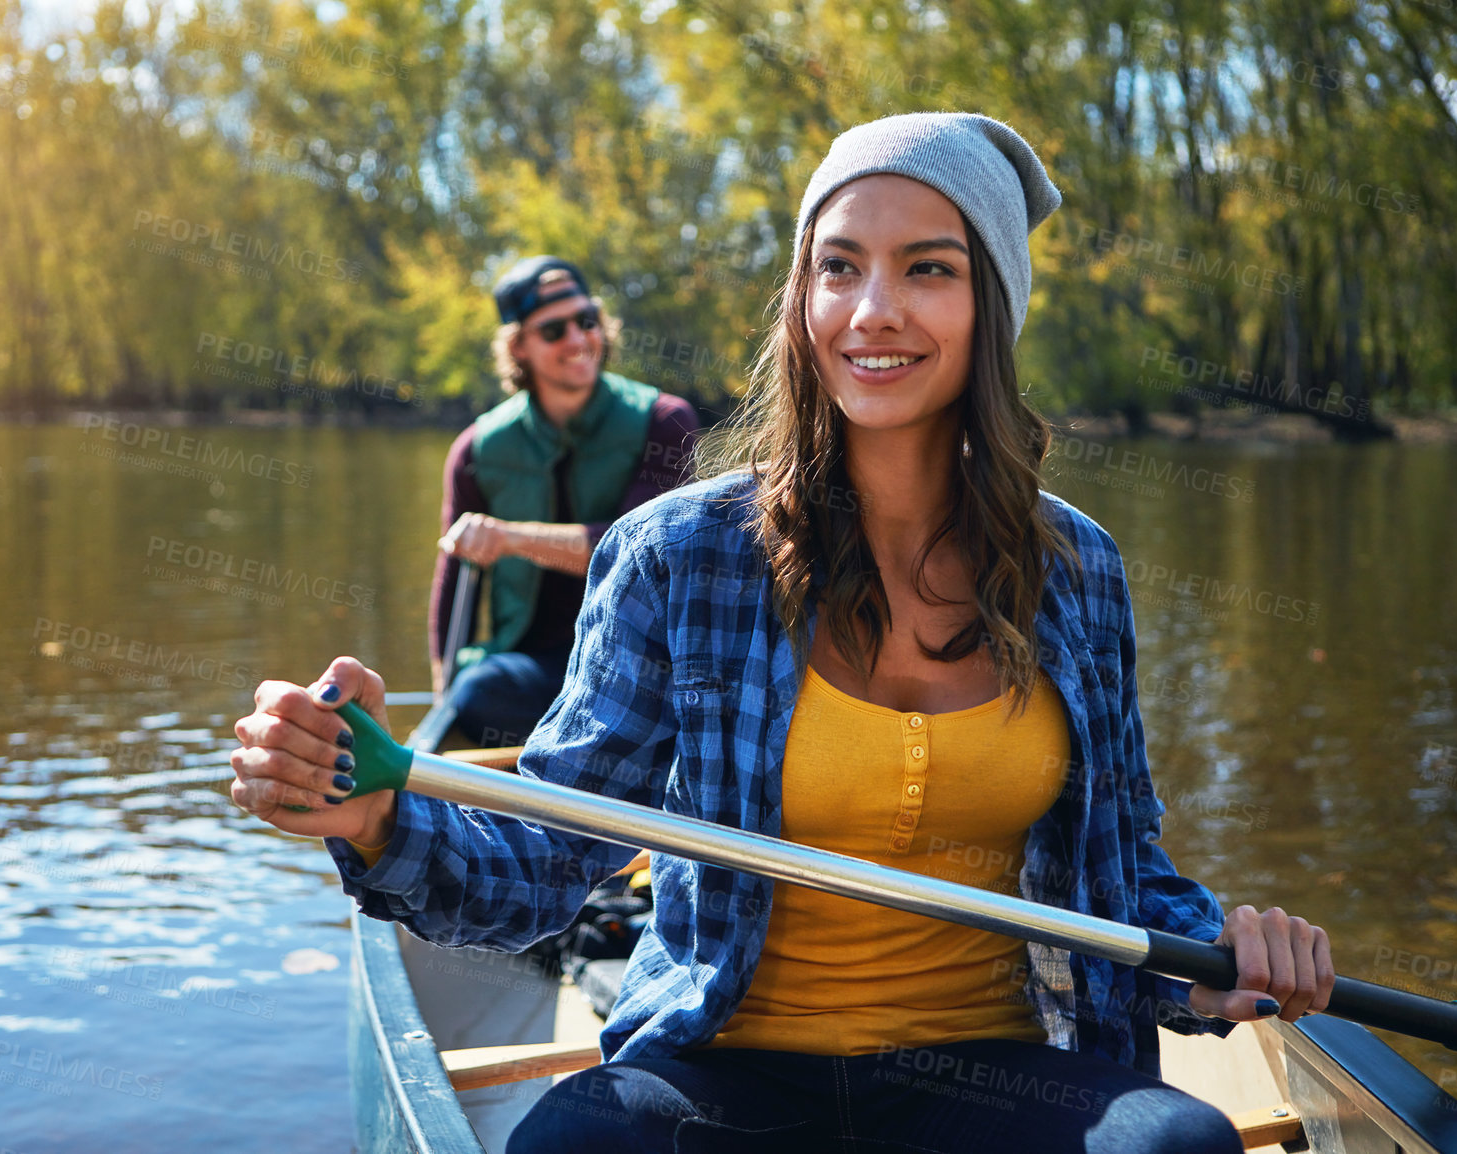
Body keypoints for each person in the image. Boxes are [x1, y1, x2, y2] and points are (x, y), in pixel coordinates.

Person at [229, 113, 1334, 1153]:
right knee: (570, 1139)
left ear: (992, 301)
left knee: (1181, 1140)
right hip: (722, 1072)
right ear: (802, 296)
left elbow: (1123, 873)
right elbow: (553, 855)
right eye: (839, 265)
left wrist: (1217, 958)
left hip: (991, 1070)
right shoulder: (679, 553)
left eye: (927, 267)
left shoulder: (1075, 567)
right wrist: (378, 816)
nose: (871, 310)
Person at [428, 255, 700, 748]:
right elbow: (454, 585)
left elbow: (635, 555)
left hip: (642, 667)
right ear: (519, 348)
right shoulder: (475, 450)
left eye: (587, 321)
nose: (578, 340)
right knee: (476, 691)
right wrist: (442, 701)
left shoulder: (666, 422)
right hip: (535, 672)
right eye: (554, 330)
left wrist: (509, 538)